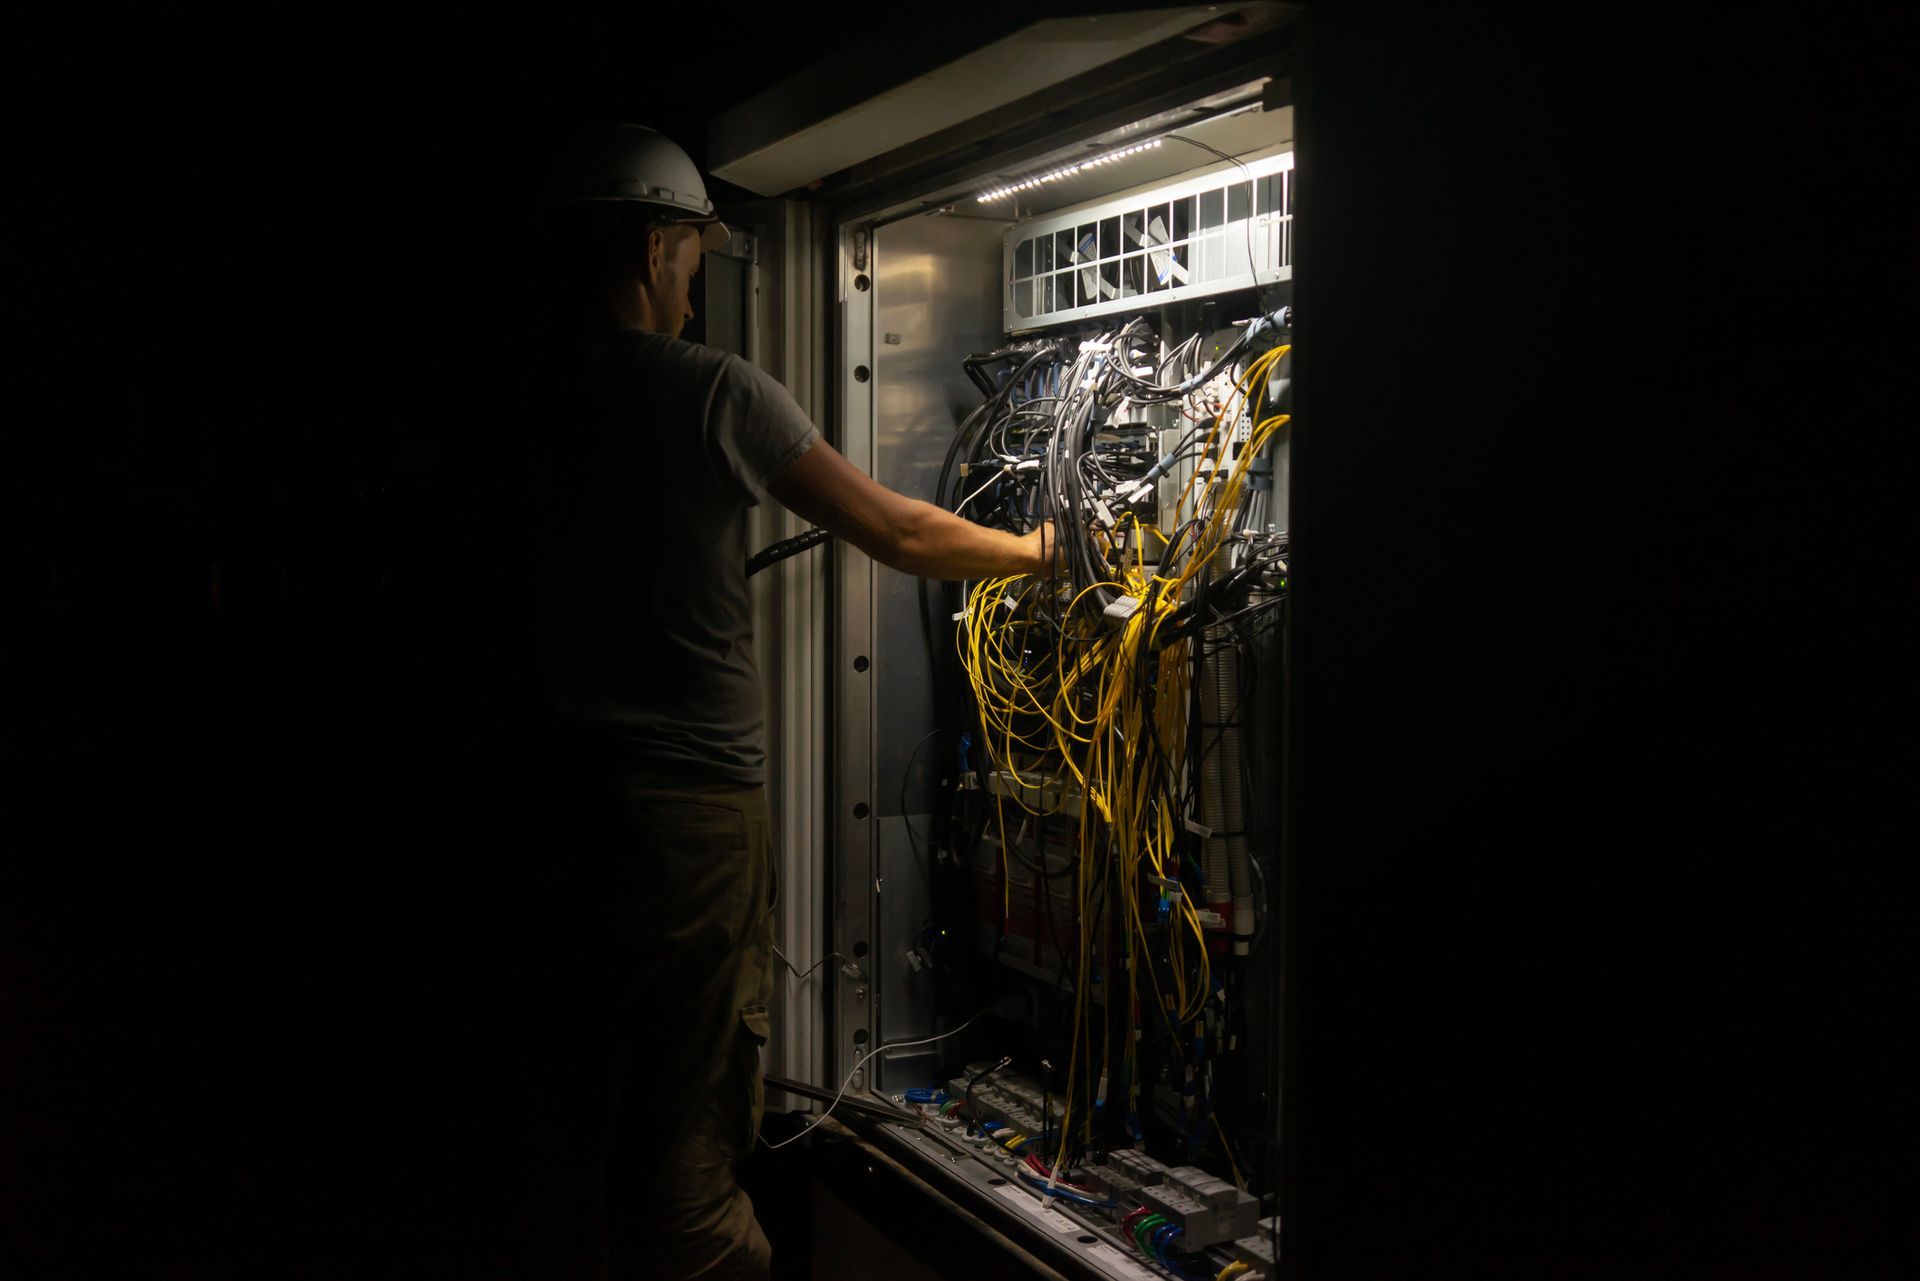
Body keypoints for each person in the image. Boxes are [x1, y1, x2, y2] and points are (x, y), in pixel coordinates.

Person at [512, 123, 1051, 1281]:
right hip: (687, 823)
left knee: (595, 1084)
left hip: (563, 801)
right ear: (658, 245)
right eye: (694, 263)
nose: (696, 296)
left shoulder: (529, 394)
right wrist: (1044, 552)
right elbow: (900, 530)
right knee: (692, 1130)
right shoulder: (706, 390)